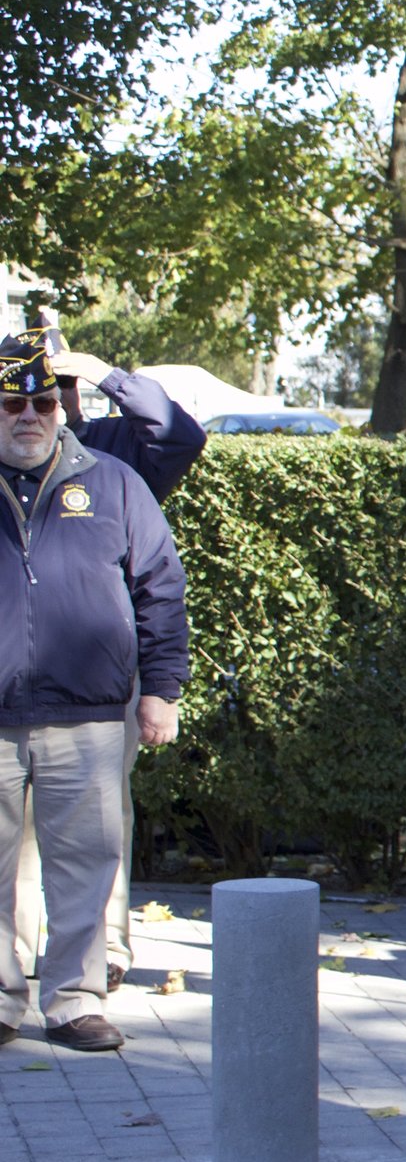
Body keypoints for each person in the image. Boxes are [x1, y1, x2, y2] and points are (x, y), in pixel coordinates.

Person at [0, 328, 205, 996]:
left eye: (52, 391)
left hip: (90, 701)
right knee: (15, 853)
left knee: (91, 845)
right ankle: (15, 975)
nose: (33, 410)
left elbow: (179, 436)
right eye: (15, 399)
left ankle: (89, 975)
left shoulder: (113, 454)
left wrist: (104, 371)